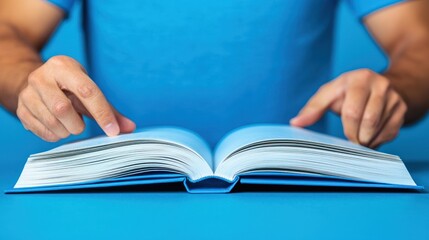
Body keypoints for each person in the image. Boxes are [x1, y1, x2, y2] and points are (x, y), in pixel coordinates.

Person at [0, 0, 428, 148]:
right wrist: (27, 81)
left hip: (302, 197)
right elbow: (7, 33)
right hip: (120, 196)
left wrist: (394, 90)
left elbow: (420, 42)